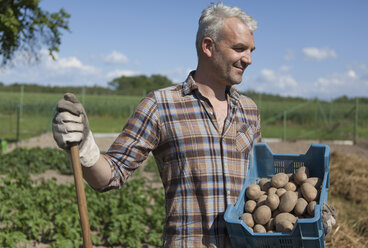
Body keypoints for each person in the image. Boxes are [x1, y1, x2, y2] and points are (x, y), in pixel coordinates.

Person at [52, 3, 335, 247]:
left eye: (251, 50)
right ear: (208, 46)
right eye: (239, 49)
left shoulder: (249, 110)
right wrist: (87, 147)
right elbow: (109, 177)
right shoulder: (160, 105)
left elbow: (261, 187)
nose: (248, 59)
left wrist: (309, 215)